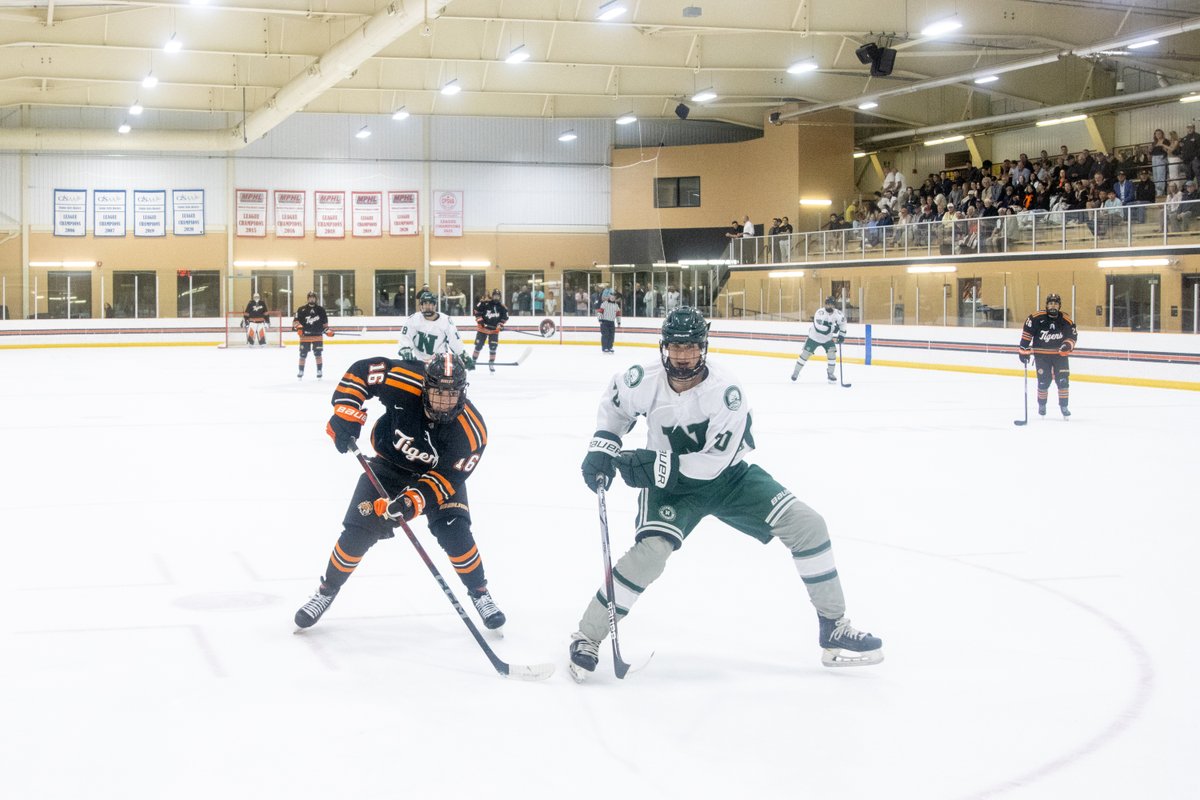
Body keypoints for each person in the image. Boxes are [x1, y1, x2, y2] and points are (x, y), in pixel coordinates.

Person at [568, 308, 882, 681]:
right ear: (663, 347)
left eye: (691, 347)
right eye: (675, 346)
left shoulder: (726, 391)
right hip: (672, 491)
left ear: (704, 347)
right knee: (650, 556)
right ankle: (587, 636)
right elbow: (615, 405)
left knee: (808, 526)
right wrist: (604, 445)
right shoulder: (644, 379)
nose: (683, 355)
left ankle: (833, 625)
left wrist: (656, 466)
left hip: (728, 479)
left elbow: (714, 463)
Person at [293, 353, 506, 632]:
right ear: (425, 386)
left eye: (452, 395)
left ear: (462, 392)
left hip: (435, 476)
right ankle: (326, 590)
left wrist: (411, 502)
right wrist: (346, 410)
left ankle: (480, 593)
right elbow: (362, 370)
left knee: (456, 533)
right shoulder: (404, 379)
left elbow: (447, 479)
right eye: (438, 393)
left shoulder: (471, 433)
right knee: (357, 533)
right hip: (389, 466)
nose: (444, 402)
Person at [1018, 293, 1077, 418]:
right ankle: (1042, 404)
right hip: (1041, 356)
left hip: (1060, 355)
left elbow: (1072, 336)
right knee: (1043, 382)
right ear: (1046, 305)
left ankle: (1064, 406)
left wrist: (1067, 345)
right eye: (1050, 303)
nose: (1053, 306)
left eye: (1055, 303)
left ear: (1059, 305)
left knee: (1063, 381)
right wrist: (1024, 351)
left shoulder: (1066, 320)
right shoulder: (1036, 318)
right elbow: (1027, 334)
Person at [397, 290, 474, 370]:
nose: (427, 306)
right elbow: (405, 336)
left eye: (430, 303)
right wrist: (405, 350)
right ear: (421, 306)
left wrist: (462, 355)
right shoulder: (414, 319)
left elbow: (454, 340)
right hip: (419, 364)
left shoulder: (445, 320)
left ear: (435, 305)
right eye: (425, 303)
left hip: (440, 364)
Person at [792, 296, 847, 383]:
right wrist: (833, 328)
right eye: (828, 304)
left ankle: (830, 374)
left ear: (834, 305)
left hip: (827, 339)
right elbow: (819, 329)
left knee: (832, 354)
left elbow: (843, 324)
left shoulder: (838, 314)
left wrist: (841, 335)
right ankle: (796, 372)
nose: (829, 306)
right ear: (825, 304)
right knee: (805, 354)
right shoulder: (820, 312)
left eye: (831, 305)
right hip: (814, 337)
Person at [293, 291, 332, 379]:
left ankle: (319, 370)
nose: (312, 299)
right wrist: (299, 328)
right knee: (302, 355)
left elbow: (325, 324)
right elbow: (295, 322)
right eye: (310, 297)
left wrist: (328, 331)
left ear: (315, 299)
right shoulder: (301, 309)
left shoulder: (321, 310)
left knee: (318, 354)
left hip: (317, 336)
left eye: (313, 297)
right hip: (304, 337)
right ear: (308, 299)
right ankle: (301, 370)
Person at [471, 289, 510, 372]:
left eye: (498, 296)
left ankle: (491, 363)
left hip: (494, 331)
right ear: (492, 296)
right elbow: (476, 311)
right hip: (483, 329)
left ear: (500, 297)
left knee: (493, 347)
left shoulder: (502, 307)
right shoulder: (485, 303)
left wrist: (501, 324)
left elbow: (505, 317)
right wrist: (480, 320)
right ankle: (472, 362)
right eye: (495, 295)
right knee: (478, 346)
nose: (496, 297)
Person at [597, 288, 621, 353]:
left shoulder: (616, 306)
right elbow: (600, 312)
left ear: (615, 298)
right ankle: (604, 347)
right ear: (609, 297)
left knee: (611, 335)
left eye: (614, 297)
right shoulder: (604, 304)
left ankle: (610, 347)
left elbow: (618, 315)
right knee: (605, 335)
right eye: (611, 296)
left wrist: (618, 322)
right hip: (604, 322)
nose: (612, 298)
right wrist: (600, 319)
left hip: (611, 323)